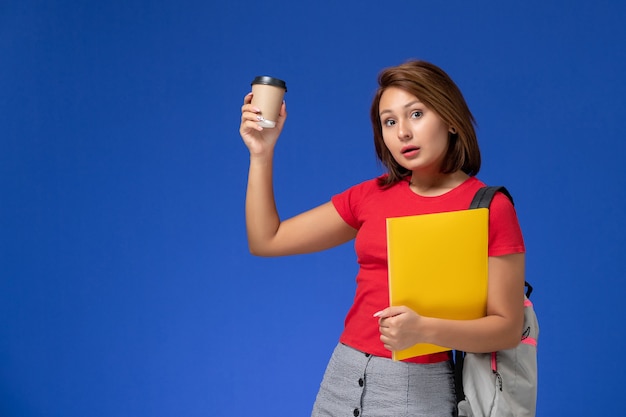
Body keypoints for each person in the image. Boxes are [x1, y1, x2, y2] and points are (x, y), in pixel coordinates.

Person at [239, 60, 525, 417]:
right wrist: (261, 152)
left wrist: (424, 330)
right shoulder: (371, 196)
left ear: (451, 120)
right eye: (389, 121)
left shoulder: (487, 207)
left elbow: (507, 329)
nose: (402, 132)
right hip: (342, 375)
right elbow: (267, 240)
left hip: (416, 388)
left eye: (416, 114)